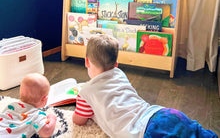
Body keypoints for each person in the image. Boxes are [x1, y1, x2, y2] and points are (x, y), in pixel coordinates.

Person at [72, 34, 217, 138]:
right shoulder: (120, 74)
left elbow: (78, 120)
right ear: (116, 64)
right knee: (196, 131)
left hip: (145, 131)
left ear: (86, 62)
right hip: (162, 113)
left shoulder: (85, 92)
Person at [0, 73, 57, 138]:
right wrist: (52, 118)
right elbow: (46, 132)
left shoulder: (11, 106)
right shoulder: (37, 115)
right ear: (44, 99)